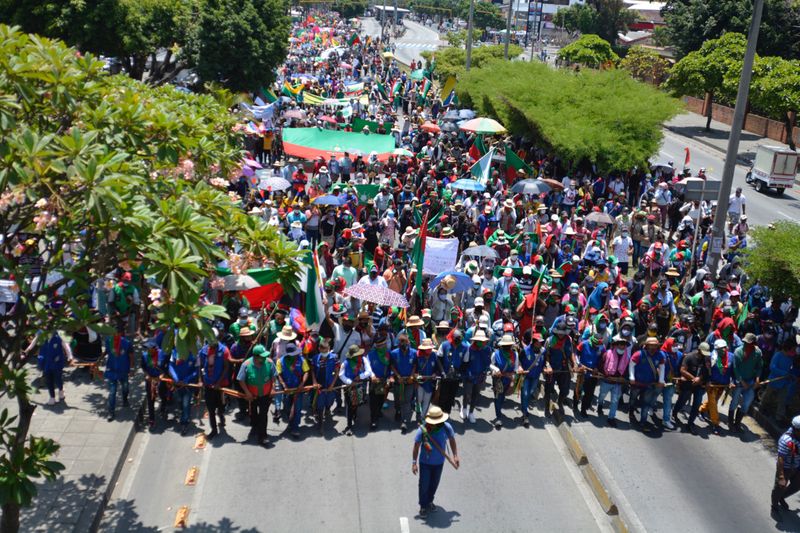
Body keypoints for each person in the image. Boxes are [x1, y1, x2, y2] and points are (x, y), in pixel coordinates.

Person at [411, 405, 460, 517]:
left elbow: (452, 440)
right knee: (424, 485)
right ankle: (423, 506)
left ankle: (429, 501)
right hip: (425, 463)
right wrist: (414, 463)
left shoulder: (446, 427)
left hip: (439, 463)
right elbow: (416, 446)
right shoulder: (422, 430)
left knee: (434, 484)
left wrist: (455, 455)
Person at [237, 345, 276, 446]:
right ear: (255, 356)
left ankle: (263, 436)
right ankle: (254, 426)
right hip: (252, 396)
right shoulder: (246, 364)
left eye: (265, 356)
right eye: (262, 356)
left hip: (265, 395)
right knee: (253, 413)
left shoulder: (270, 362)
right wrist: (247, 393)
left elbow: (274, 376)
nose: (264, 358)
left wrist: (273, 388)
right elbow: (240, 379)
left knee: (263, 415)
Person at [728, 332, 763, 432]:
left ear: (754, 344)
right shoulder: (738, 351)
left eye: (749, 343)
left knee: (747, 403)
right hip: (739, 381)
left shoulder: (758, 353)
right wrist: (742, 381)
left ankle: (737, 423)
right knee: (734, 402)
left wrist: (757, 379)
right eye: (745, 343)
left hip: (751, 381)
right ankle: (730, 422)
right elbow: (735, 368)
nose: (746, 345)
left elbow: (759, 367)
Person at [198, 337, 231, 439]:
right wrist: (201, 380)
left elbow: (226, 367)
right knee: (211, 409)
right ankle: (214, 430)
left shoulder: (224, 350)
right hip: (208, 385)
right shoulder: (203, 351)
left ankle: (221, 417)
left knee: (220, 407)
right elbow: (201, 366)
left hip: (220, 386)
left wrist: (219, 382)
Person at [339, 344, 373, 435]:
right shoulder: (345, 363)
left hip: (359, 385)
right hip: (349, 387)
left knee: (357, 403)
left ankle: (355, 414)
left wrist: (360, 376)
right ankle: (349, 425)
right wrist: (350, 382)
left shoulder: (363, 360)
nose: (359, 356)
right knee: (350, 405)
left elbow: (369, 371)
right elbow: (341, 375)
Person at [771, 416, 800, 521]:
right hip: (786, 468)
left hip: (797, 466)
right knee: (779, 488)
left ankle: (781, 497)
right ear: (796, 430)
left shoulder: (798, 437)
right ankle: (774, 507)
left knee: (797, 485)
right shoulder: (787, 440)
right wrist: (781, 476)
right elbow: (780, 460)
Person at [105, 326, 134, 422]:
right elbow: (107, 352)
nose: (114, 335)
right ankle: (111, 412)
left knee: (125, 387)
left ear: (121, 334)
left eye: (116, 333)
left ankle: (125, 399)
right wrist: (99, 360)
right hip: (112, 370)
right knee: (112, 392)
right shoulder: (108, 341)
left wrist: (132, 368)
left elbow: (131, 356)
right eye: (113, 333)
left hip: (123, 370)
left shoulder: (127, 343)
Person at [37, 332, 73, 405]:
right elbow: (34, 343)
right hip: (46, 363)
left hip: (57, 363)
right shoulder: (42, 336)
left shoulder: (58, 337)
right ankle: (52, 397)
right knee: (49, 380)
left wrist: (70, 356)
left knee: (58, 379)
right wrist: (26, 352)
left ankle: (61, 390)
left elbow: (66, 346)